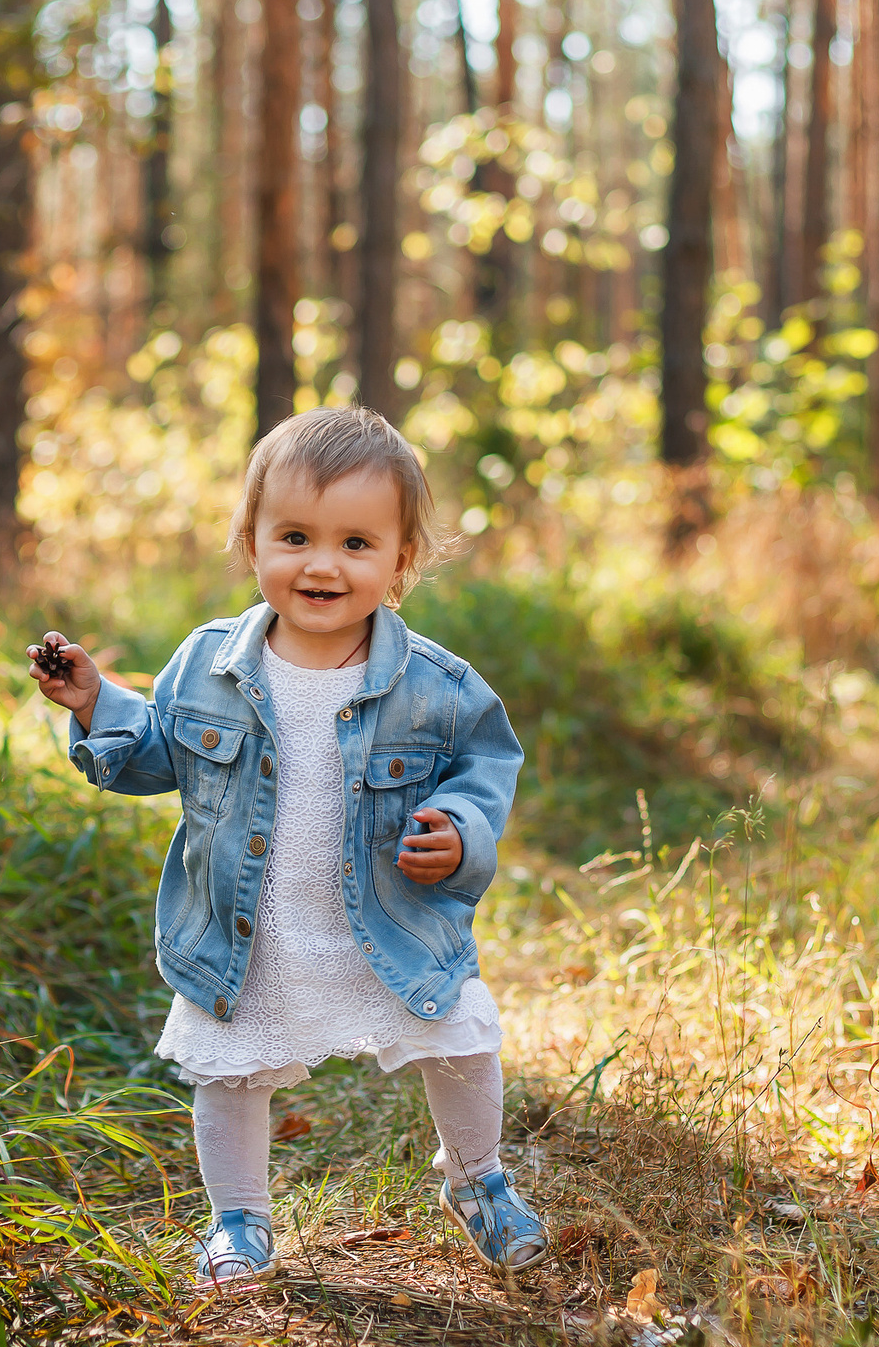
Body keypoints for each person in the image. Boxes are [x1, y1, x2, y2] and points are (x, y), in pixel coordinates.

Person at [27, 406, 548, 1290]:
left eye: (356, 542)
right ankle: (239, 1219)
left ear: (400, 560)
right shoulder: (209, 664)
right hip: (252, 922)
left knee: (460, 1036)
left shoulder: (438, 683)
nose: (321, 563)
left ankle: (478, 1181)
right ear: (253, 540)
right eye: (296, 535)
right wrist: (94, 704)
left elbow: (486, 763)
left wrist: (459, 831)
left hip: (389, 917)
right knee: (229, 1069)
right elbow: (163, 757)